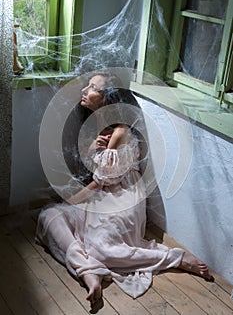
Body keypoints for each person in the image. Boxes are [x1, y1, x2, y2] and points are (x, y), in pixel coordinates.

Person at [36, 71, 213, 308]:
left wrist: (70, 202)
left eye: (92, 88)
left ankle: (175, 258)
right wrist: (93, 148)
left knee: (102, 247)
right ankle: (89, 271)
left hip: (123, 197)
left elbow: (99, 181)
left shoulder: (120, 132)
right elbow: (95, 168)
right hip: (103, 194)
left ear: (107, 98)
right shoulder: (99, 125)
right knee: (49, 216)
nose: (84, 91)